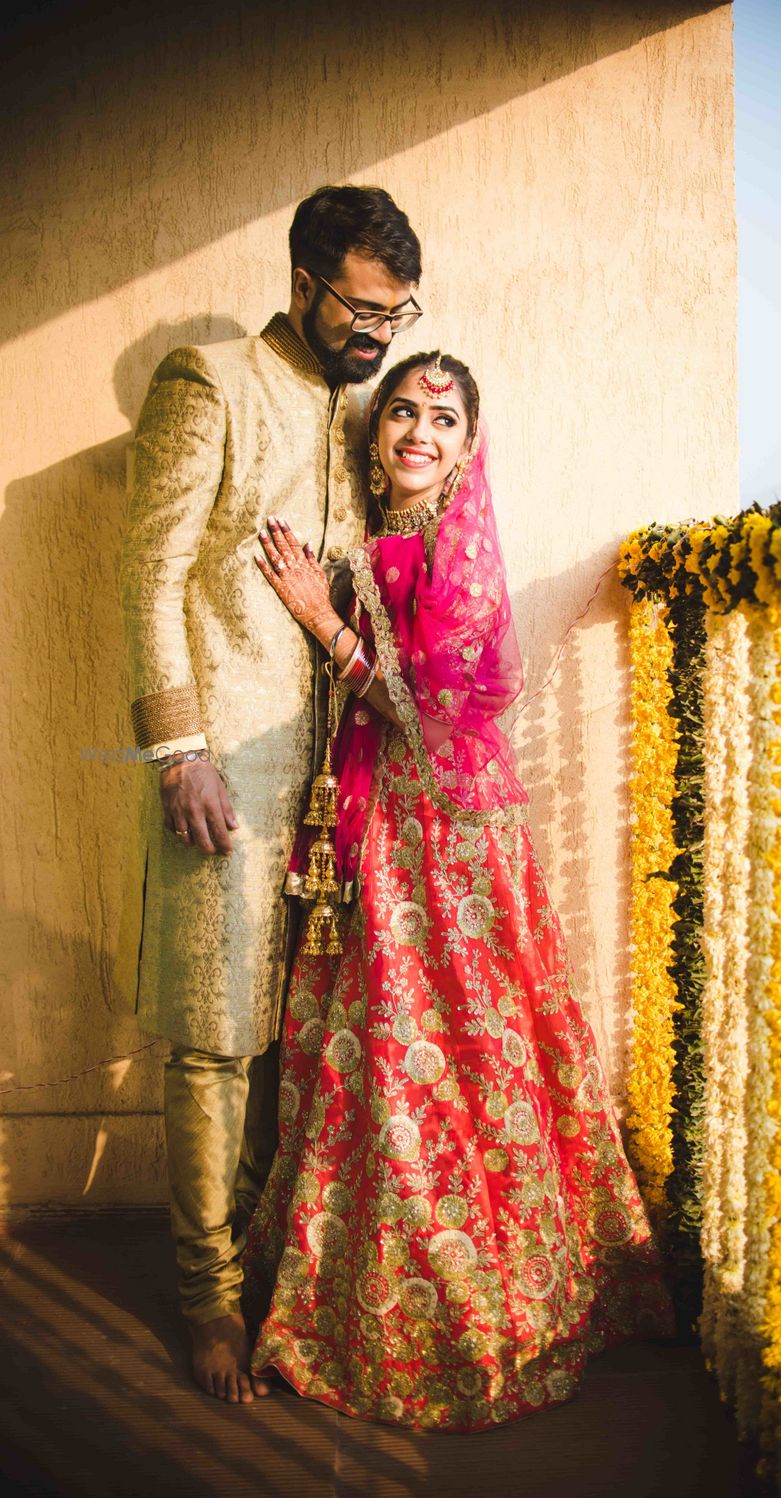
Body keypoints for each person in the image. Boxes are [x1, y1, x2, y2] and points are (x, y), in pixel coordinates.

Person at [244, 351, 675, 1431]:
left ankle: (484, 1301)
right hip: (376, 821)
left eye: (443, 417)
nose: (420, 432)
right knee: (379, 1044)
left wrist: (321, 618)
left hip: (449, 837)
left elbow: (421, 709)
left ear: (466, 445)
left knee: (454, 1040)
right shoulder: (374, 539)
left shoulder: (457, 555)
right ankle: (356, 1293)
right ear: (374, 430)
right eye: (402, 410)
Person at [118, 185, 423, 1405]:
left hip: (333, 789)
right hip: (225, 771)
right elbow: (148, 578)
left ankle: (263, 1268)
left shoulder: (363, 414)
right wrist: (178, 749)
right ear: (302, 279)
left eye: (399, 312)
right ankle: (205, 1300)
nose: (379, 331)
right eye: (361, 307)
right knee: (213, 1038)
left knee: (293, 1042)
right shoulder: (210, 382)